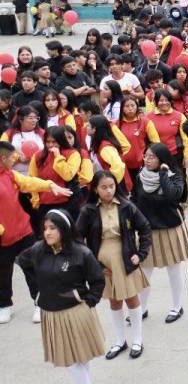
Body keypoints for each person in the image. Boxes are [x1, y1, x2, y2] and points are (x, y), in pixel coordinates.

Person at [16, 210, 106, 384]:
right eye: (45, 228)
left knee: (82, 358)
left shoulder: (81, 252)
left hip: (76, 313)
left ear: (64, 229)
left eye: (52, 228)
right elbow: (22, 261)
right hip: (52, 314)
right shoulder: (37, 250)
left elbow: (97, 280)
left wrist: (90, 300)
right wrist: (37, 293)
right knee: (71, 362)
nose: (47, 232)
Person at [75, 171, 151, 361]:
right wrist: (94, 265)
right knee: (114, 300)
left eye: (111, 186)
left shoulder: (126, 206)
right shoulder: (88, 210)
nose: (109, 191)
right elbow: (77, 238)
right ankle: (120, 340)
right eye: (104, 187)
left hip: (125, 260)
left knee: (132, 298)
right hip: (102, 264)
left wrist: (141, 254)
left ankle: (137, 340)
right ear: (95, 189)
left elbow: (145, 228)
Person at [0, 140, 71, 325]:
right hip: (2, 237)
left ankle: (40, 302)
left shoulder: (10, 174)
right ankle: (4, 305)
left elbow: (29, 182)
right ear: (3, 158)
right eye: (12, 157)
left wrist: (49, 185)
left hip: (23, 231)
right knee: (2, 272)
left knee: (34, 266)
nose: (15, 160)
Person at [133, 143, 188, 324]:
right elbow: (135, 201)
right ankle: (141, 309)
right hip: (148, 230)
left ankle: (176, 306)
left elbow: (172, 196)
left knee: (173, 270)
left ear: (162, 159)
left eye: (152, 157)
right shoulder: (140, 177)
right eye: (146, 156)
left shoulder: (175, 176)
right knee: (145, 271)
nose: (147, 160)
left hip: (169, 228)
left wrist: (164, 174)